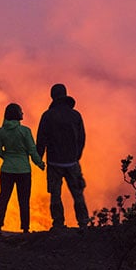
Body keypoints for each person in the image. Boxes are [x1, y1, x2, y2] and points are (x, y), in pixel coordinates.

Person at [36, 83, 89, 229]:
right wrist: (76, 156)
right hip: (72, 163)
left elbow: (41, 139)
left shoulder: (47, 116)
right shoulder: (76, 115)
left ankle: (58, 224)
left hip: (54, 163)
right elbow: (82, 138)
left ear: (53, 96)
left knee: (55, 194)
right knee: (77, 193)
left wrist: (38, 158)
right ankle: (83, 222)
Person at [0, 103, 45, 236]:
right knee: (23, 200)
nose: (23, 114)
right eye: (21, 112)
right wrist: (40, 163)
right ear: (16, 114)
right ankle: (25, 229)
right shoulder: (25, 131)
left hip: (6, 170)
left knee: (3, 198)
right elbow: (32, 150)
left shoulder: (1, 131)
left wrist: (7, 157)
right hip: (23, 171)